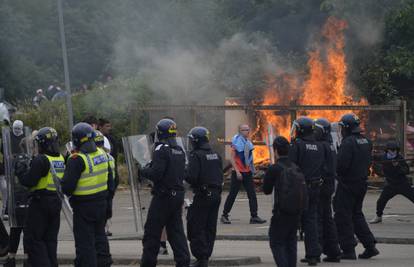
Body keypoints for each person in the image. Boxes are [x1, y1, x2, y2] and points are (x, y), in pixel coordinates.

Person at [139, 118, 190, 267]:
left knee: (152, 232)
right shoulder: (179, 150)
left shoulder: (161, 149)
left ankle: (148, 263)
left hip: (163, 196)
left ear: (159, 133)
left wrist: (143, 170)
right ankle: (183, 262)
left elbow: (156, 174)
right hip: (177, 195)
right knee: (176, 232)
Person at [61, 122, 113, 267]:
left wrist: (61, 181)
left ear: (76, 140)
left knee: (85, 244)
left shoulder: (77, 159)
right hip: (101, 202)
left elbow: (67, 188)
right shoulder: (102, 153)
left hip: (83, 207)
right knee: (100, 237)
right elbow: (110, 179)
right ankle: (104, 263)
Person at [16, 127, 64, 267]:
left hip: (40, 203)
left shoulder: (42, 160)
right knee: (50, 241)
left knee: (35, 241)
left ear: (42, 143)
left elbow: (29, 181)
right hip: (55, 202)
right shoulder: (60, 158)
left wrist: (20, 171)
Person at [333, 113, 379, 259]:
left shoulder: (348, 143)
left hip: (347, 184)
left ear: (347, 128)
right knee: (356, 214)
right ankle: (370, 245)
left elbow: (341, 166)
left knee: (342, 216)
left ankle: (348, 250)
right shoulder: (366, 141)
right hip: (361, 183)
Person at [289, 117, 330, 266]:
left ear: (300, 130)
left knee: (292, 220)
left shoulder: (297, 145)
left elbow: (291, 167)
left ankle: (288, 254)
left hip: (300, 188)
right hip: (315, 187)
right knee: (311, 221)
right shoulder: (319, 145)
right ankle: (313, 254)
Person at [186, 127, 223, 267]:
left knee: (196, 225)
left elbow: (192, 177)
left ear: (196, 140)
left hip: (202, 195)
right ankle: (205, 256)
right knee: (210, 227)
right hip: (216, 194)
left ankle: (201, 258)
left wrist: (183, 172)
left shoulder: (196, 155)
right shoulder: (215, 154)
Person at [263, 136, 303, 267]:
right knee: (291, 243)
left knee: (276, 242)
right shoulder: (295, 167)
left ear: (275, 151)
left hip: (281, 212)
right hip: (296, 212)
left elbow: (267, 190)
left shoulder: (275, 168)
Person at [221, 124, 266, 224]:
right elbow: (232, 158)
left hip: (247, 172)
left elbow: (249, 158)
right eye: (244, 130)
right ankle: (224, 215)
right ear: (240, 131)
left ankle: (254, 216)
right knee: (232, 194)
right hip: (238, 173)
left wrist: (252, 169)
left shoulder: (248, 142)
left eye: (247, 129)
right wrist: (237, 171)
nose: (246, 131)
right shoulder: (236, 142)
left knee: (252, 194)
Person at [313, 118, 341, 262]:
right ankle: (333, 251)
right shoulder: (330, 144)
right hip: (329, 185)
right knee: (327, 218)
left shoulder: (320, 146)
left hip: (322, 185)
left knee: (317, 218)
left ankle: (315, 252)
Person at [370, 140, 414, 224]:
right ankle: (378, 217)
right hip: (390, 185)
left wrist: (397, 166)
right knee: (381, 201)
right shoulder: (383, 157)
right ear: (387, 150)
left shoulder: (400, 158)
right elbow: (373, 158)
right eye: (392, 150)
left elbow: (406, 171)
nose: (394, 152)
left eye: (395, 150)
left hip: (402, 184)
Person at [5, 120, 30, 267]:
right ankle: (26, 259)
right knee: (26, 231)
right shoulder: (29, 160)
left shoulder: (15, 162)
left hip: (16, 198)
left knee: (15, 230)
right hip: (25, 198)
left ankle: (11, 258)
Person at [94, 130, 116, 236]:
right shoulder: (109, 157)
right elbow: (115, 177)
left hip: (96, 193)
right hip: (107, 191)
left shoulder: (92, 157)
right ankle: (105, 230)